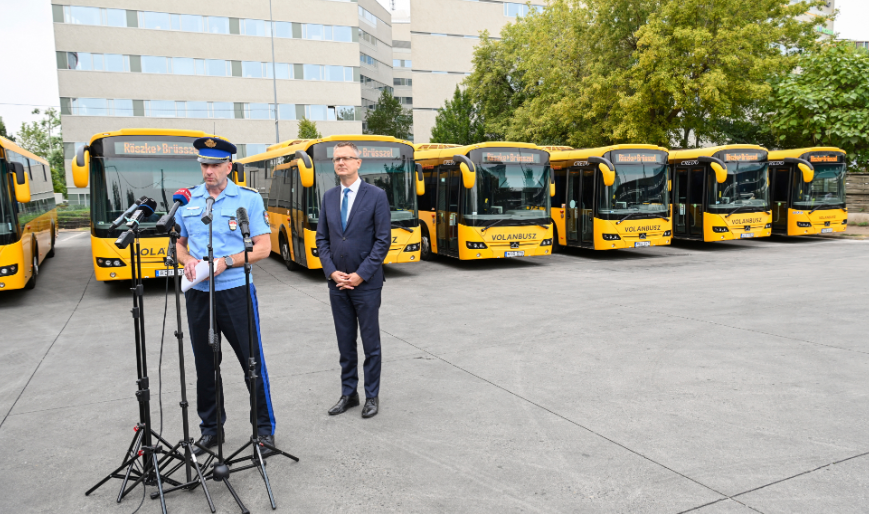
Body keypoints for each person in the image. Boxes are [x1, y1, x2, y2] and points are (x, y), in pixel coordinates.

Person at [174, 136, 277, 455]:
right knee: (206, 366)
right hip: (199, 295)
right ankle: (211, 429)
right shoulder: (187, 201)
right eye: (204, 164)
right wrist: (188, 259)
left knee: (251, 363)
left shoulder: (247, 199)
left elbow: (263, 247)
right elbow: (177, 243)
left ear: (229, 167)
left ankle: (263, 431)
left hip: (235, 292)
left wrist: (227, 261)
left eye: (215, 165)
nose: (208, 171)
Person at [316, 141, 391, 418]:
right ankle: (349, 393)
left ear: (358, 163)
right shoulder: (329, 197)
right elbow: (322, 238)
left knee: (371, 345)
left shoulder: (376, 196)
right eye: (337, 159)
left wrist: (360, 275)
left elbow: (383, 241)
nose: (341, 163)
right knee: (345, 344)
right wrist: (331, 271)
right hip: (337, 284)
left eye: (347, 158)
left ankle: (372, 395)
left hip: (366, 285)